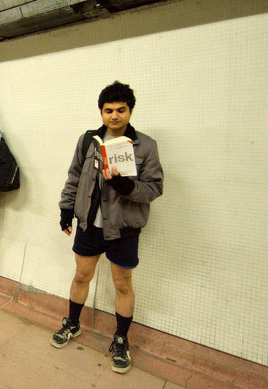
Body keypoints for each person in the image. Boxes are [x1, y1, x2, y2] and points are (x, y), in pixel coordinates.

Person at [52, 81, 163, 374]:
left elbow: (155, 187)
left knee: (122, 284)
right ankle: (73, 323)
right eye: (108, 110)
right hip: (89, 224)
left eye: (121, 110)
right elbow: (74, 176)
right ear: (101, 112)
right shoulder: (88, 141)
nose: (114, 116)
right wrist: (66, 208)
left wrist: (128, 187)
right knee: (81, 275)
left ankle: (121, 339)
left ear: (130, 111)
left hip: (124, 228)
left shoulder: (146, 146)